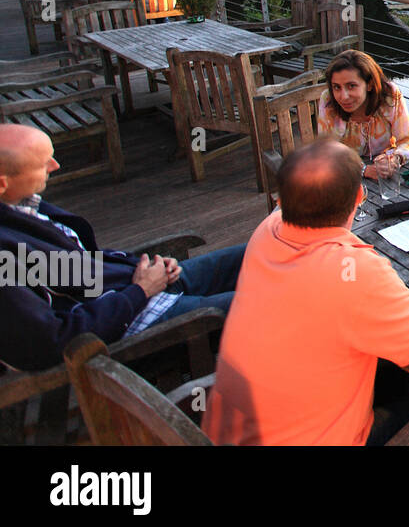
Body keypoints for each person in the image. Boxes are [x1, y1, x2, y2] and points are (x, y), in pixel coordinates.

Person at [202, 139, 409, 445]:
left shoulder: (267, 230)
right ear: (360, 196)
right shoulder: (355, 273)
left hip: (237, 433)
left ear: (282, 200)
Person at [0, 123, 245, 371]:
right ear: (2, 184)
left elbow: (80, 262)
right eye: (43, 164)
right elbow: (54, 341)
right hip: (137, 330)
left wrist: (144, 266)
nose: (55, 165)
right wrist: (140, 291)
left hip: (137, 287)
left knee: (258, 252)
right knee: (278, 304)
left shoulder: (18, 206)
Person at [317, 50, 409, 180]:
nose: (343, 96)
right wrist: (364, 169)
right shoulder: (328, 101)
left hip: (386, 175)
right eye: (337, 87)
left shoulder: (389, 95)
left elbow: (408, 139)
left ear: (369, 84)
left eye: (351, 86)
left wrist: (395, 158)